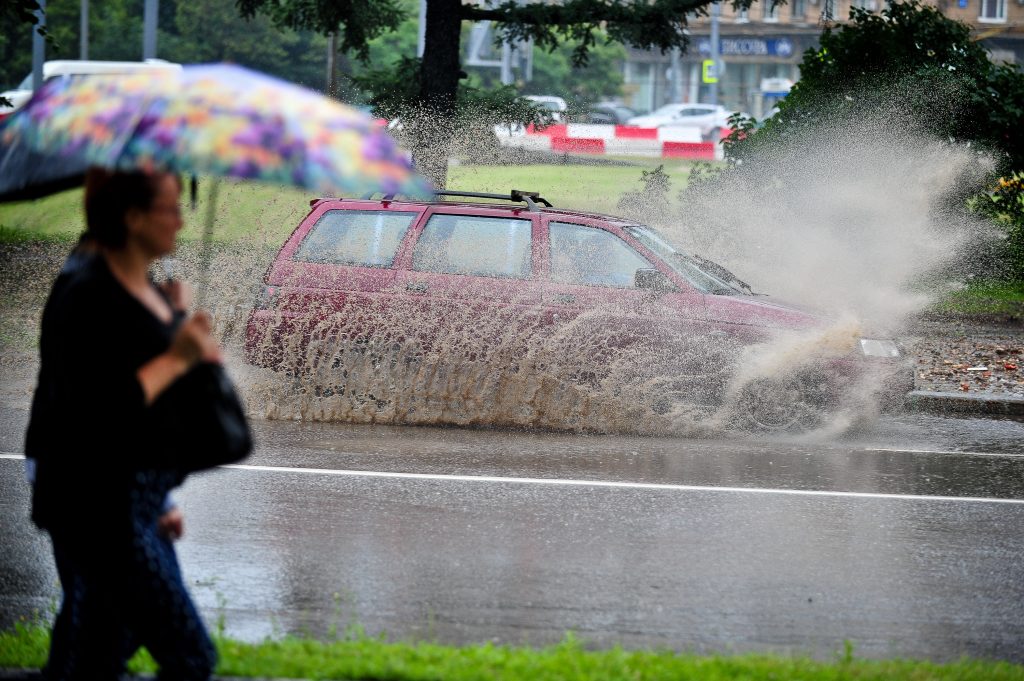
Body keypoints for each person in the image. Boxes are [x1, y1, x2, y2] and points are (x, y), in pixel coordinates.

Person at [26, 168, 221, 681]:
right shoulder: (86, 293)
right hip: (99, 506)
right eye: (170, 208)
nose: (181, 221)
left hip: (134, 499)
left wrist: (180, 327)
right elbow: (100, 410)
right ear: (133, 218)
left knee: (96, 648)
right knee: (187, 655)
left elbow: (162, 411)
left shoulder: (144, 292)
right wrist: (178, 356)